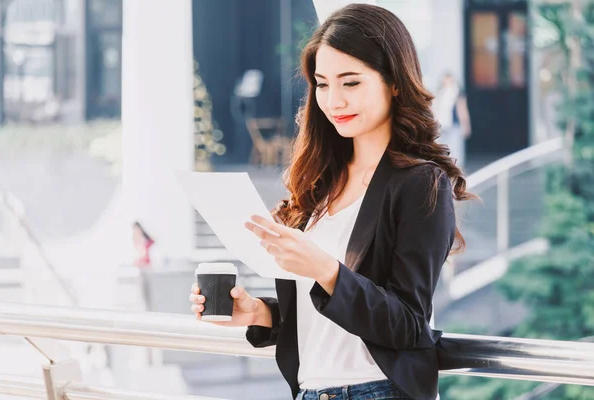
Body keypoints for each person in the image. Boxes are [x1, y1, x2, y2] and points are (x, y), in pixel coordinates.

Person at [190, 4, 475, 400]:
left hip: (379, 390)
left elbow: (408, 325)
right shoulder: (319, 181)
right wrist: (261, 314)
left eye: (351, 82)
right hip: (311, 391)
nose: (334, 100)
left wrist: (327, 269)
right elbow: (323, 319)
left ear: (394, 82)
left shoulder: (421, 183)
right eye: (322, 84)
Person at [432, 72, 472, 169]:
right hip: (442, 126)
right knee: (444, 150)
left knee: (454, 150)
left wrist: (466, 125)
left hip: (454, 125)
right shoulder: (440, 93)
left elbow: (462, 110)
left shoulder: (457, 93)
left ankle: (455, 170)